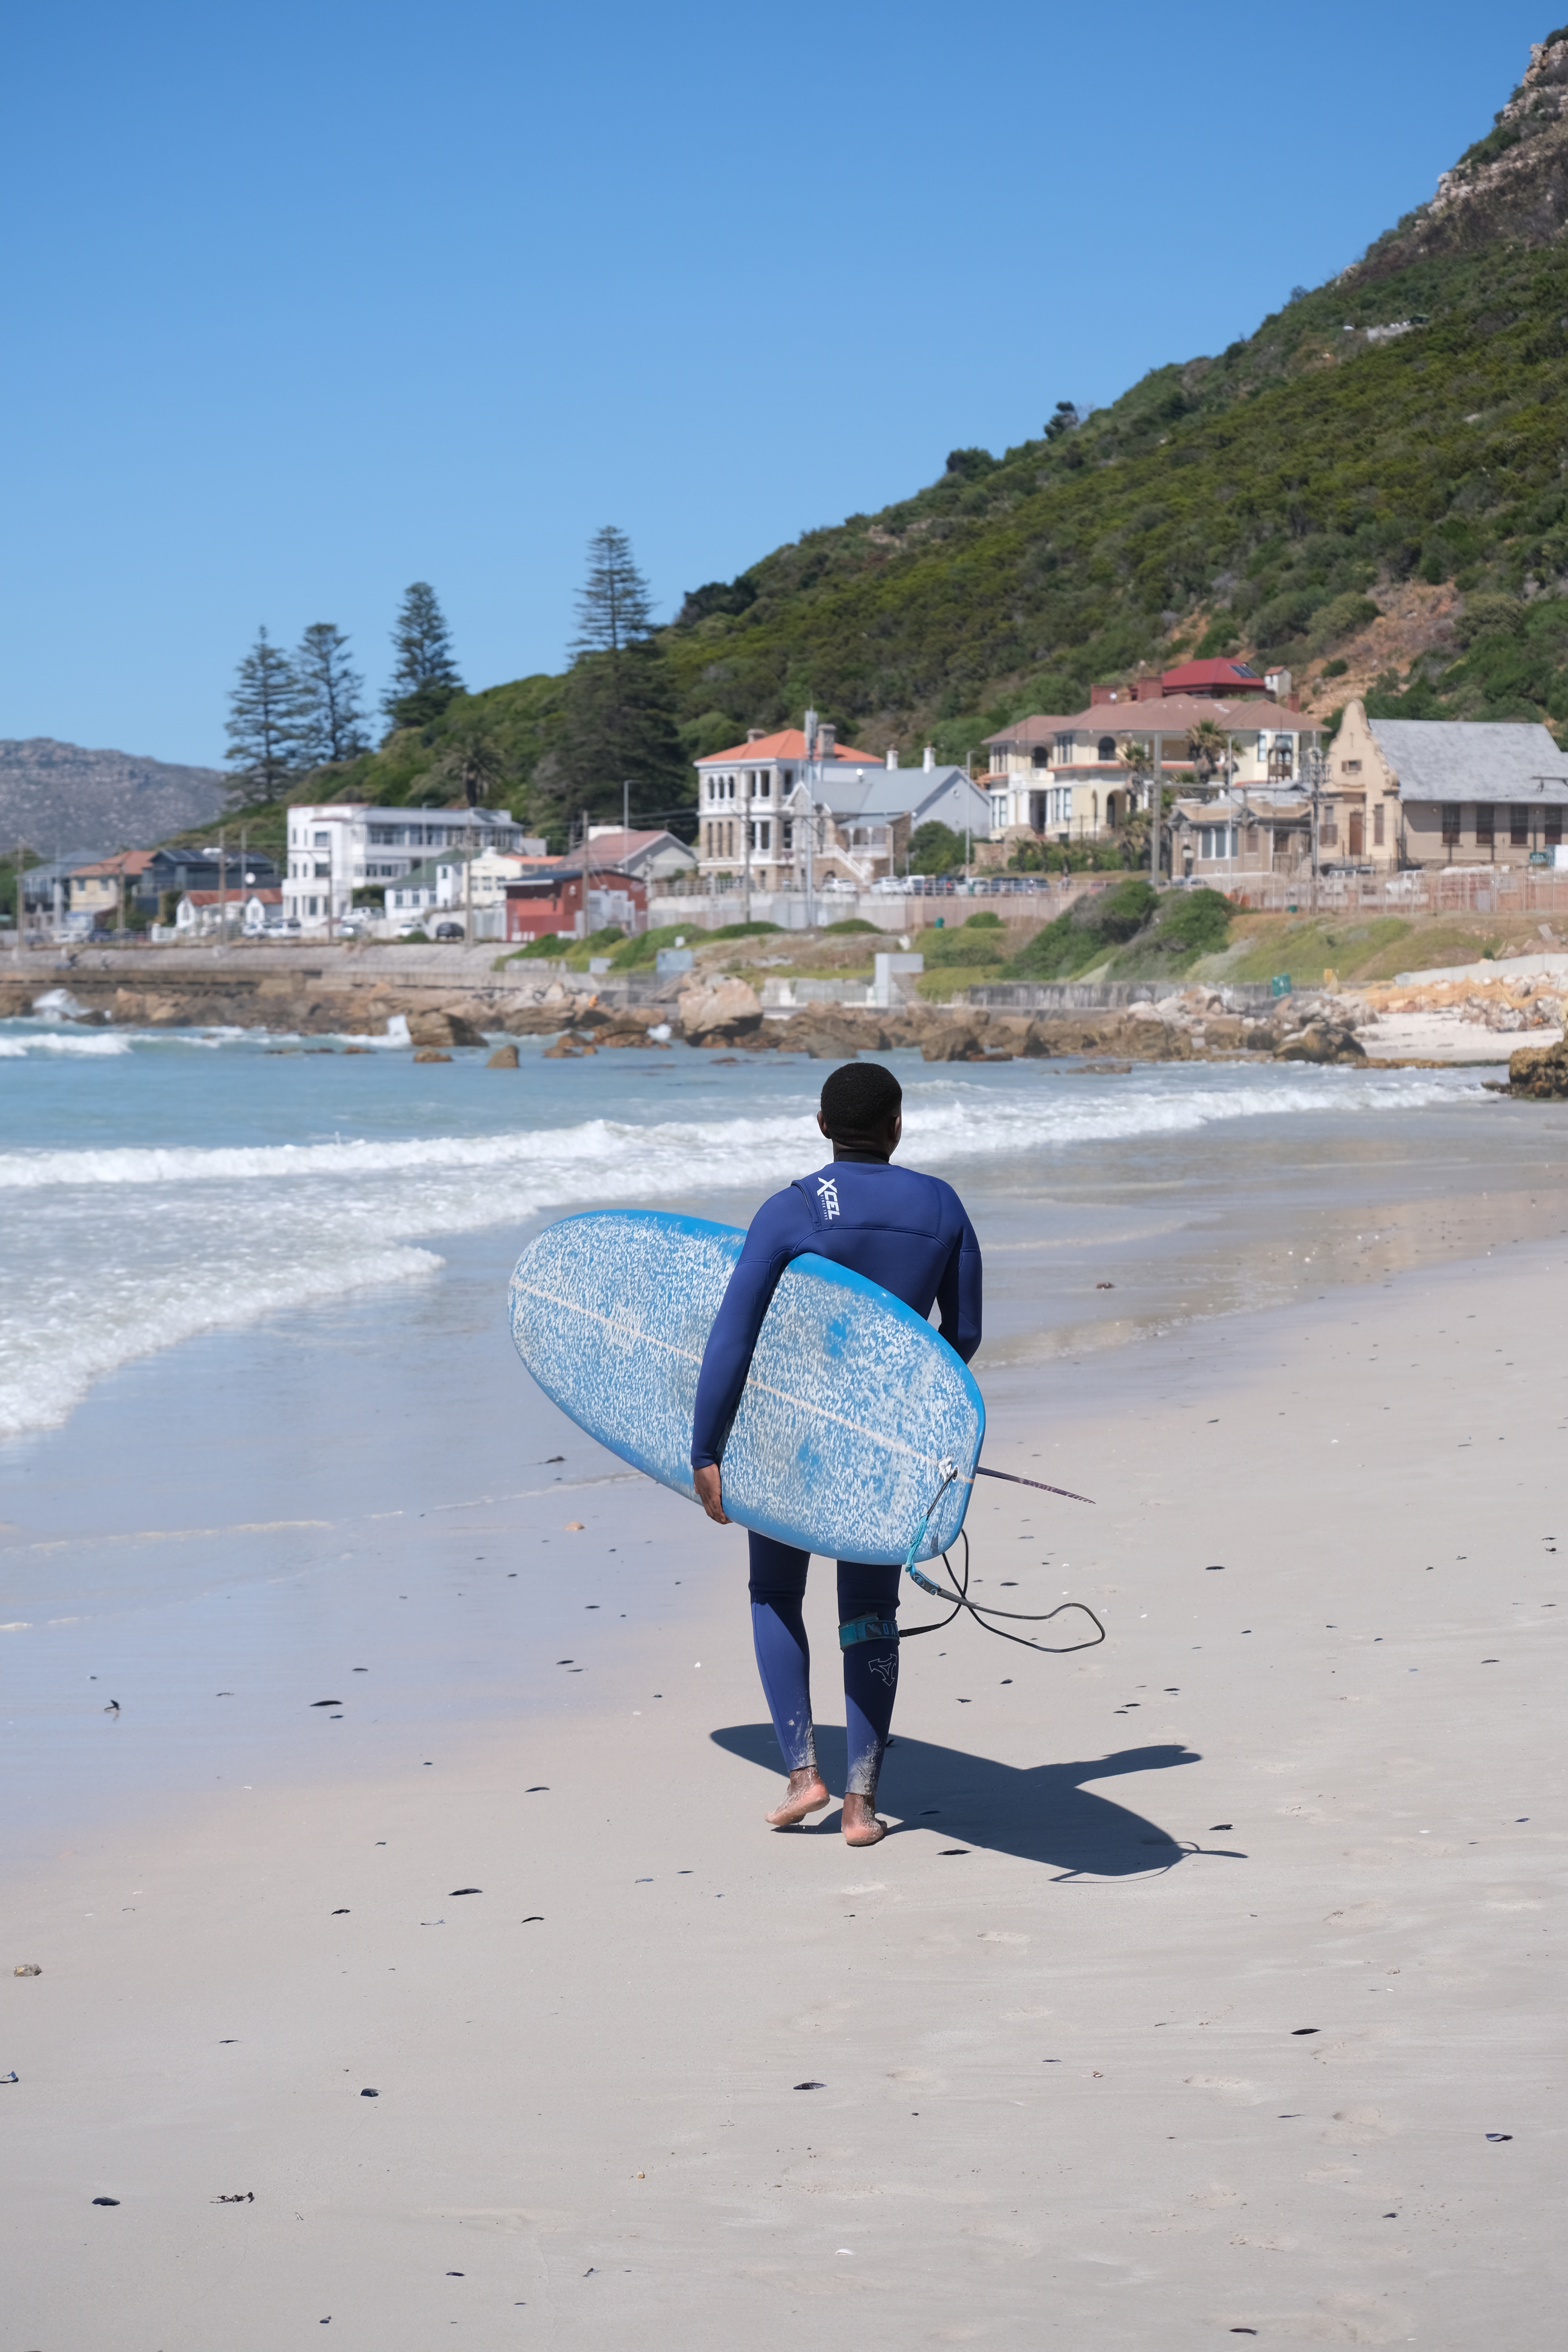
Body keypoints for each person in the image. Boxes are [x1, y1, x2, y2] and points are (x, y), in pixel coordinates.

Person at [691, 1061, 982, 1847]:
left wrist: (705, 1447)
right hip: (881, 1443)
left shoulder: (790, 1211)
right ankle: (860, 1805)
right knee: (868, 1615)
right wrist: (912, 1413)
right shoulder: (941, 1207)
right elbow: (962, 1337)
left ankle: (801, 1775)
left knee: (773, 1594)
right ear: (896, 1126)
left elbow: (733, 1337)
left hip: (790, 1435)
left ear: (821, 1125)